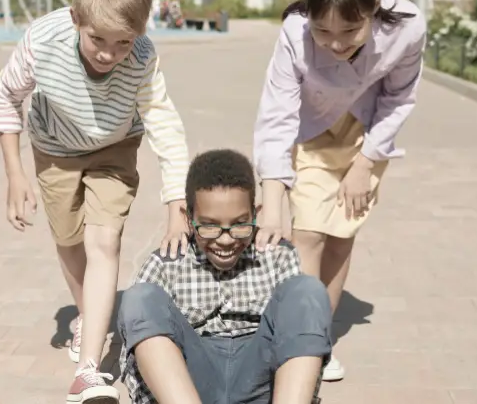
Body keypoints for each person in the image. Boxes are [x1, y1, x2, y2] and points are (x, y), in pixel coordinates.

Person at [0, 0, 190, 404]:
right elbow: (5, 96)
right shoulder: (43, 41)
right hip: (54, 148)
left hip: (115, 147)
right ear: (76, 17)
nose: (108, 54)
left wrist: (176, 201)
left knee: (104, 241)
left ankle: (88, 370)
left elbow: (163, 121)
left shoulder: (142, 56)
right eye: (97, 39)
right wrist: (15, 173)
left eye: (123, 43)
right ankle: (88, 315)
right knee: (68, 239)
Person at [252, 0, 427, 382]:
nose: (335, 43)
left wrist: (365, 163)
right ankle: (303, 343)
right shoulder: (294, 32)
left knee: (340, 236)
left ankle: (320, 338)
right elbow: (277, 114)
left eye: (350, 30)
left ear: (374, 7)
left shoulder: (407, 27)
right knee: (308, 233)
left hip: (366, 137)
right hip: (311, 133)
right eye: (323, 30)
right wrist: (271, 203)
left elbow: (399, 98)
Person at [117, 149, 332, 404]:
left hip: (261, 384)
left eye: (240, 224)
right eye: (209, 226)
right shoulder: (167, 263)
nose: (226, 239)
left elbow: (303, 335)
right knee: (140, 298)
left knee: (307, 291)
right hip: (192, 386)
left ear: (256, 215)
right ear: (188, 219)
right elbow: (140, 345)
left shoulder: (277, 257)